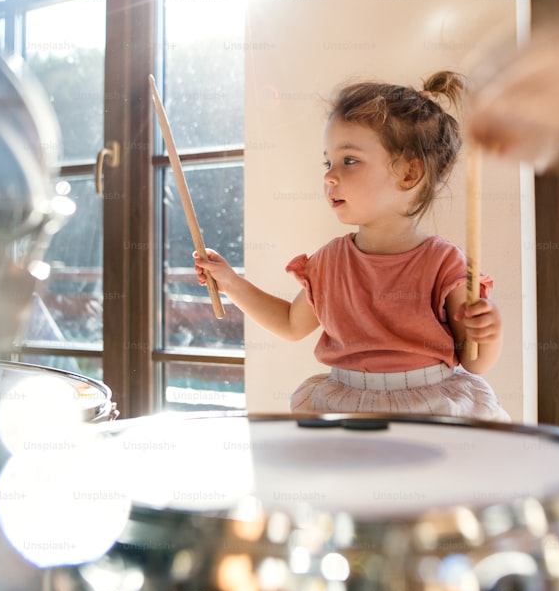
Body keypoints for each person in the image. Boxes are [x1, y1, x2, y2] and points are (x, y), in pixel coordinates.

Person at [194, 71, 509, 421]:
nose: (329, 175)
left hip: (429, 409)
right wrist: (231, 283)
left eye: (349, 161)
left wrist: (489, 332)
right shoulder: (330, 260)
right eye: (328, 162)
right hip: (347, 406)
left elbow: (475, 360)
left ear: (408, 174)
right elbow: (289, 323)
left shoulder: (444, 262)